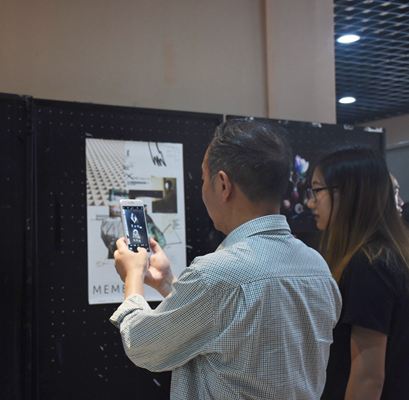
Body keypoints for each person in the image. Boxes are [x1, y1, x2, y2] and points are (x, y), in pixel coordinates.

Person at [110, 119, 342, 399]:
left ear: (223, 184)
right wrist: (168, 283)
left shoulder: (215, 275)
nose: (203, 188)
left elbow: (142, 344)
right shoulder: (317, 267)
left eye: (204, 179)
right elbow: (227, 325)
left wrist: (133, 276)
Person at [306, 147, 409, 400]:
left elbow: (368, 376)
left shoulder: (371, 264)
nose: (310, 202)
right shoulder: (381, 256)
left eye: (317, 190)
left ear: (348, 194)